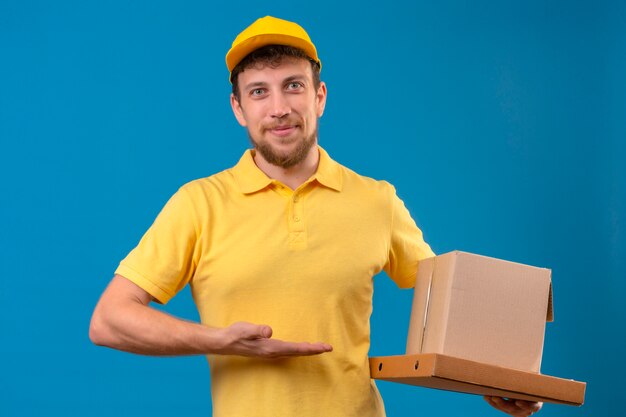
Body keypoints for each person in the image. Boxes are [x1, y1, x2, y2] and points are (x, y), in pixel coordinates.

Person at [89, 16, 543, 417]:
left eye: (293, 85)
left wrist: (497, 379)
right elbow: (109, 319)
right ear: (238, 108)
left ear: (319, 96)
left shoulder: (376, 200)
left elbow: (446, 297)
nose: (279, 107)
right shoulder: (199, 203)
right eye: (259, 92)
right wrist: (219, 340)